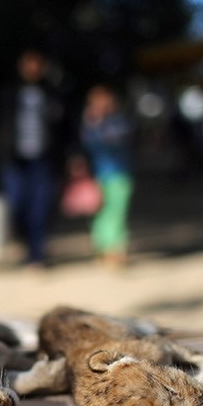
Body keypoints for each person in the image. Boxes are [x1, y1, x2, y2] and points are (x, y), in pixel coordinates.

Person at [0, 49, 65, 267]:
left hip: (44, 160)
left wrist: (74, 155)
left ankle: (37, 254)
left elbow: (66, 130)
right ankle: (26, 244)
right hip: (13, 160)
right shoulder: (7, 94)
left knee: (41, 207)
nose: (32, 68)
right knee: (16, 205)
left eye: (37, 63)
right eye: (28, 63)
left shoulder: (54, 94)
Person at [80, 84, 134, 269]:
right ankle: (102, 246)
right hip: (98, 174)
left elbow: (121, 139)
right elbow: (87, 145)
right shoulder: (90, 124)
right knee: (101, 213)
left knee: (117, 212)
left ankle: (115, 249)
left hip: (119, 173)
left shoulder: (119, 122)